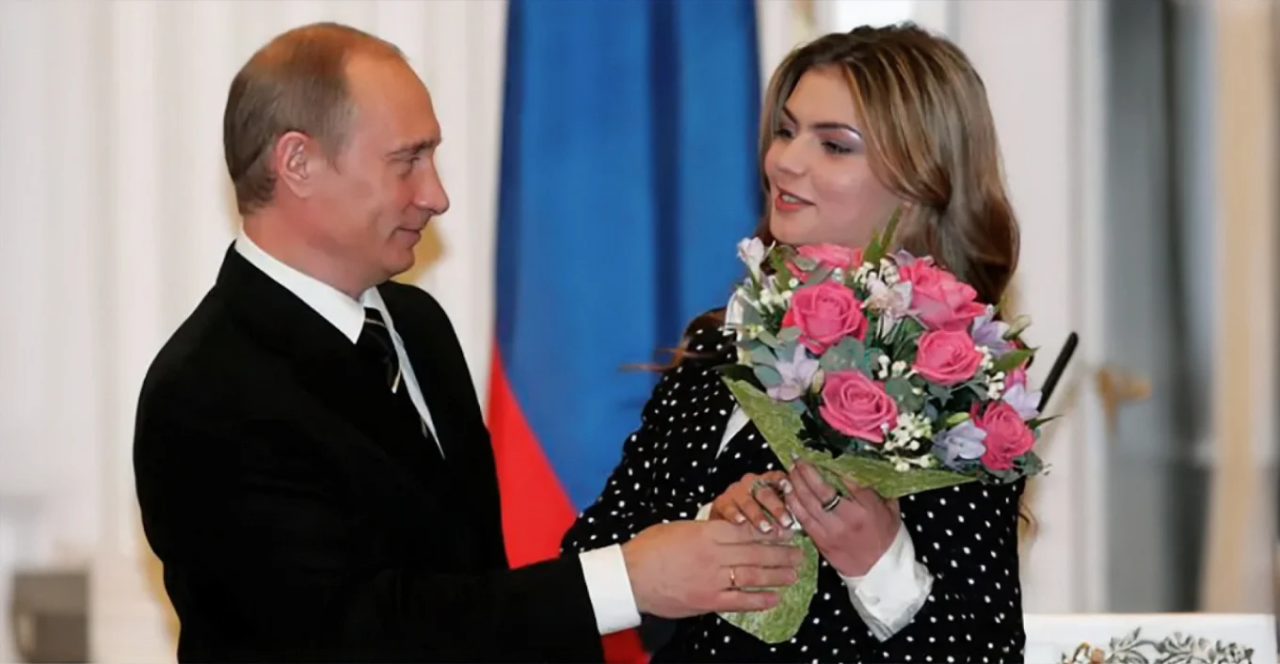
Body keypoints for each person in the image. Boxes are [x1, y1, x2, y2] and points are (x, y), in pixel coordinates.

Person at [132, 22, 804, 663]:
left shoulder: (415, 324)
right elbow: (338, 638)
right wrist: (625, 582)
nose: (437, 195)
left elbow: (470, 586)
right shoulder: (206, 391)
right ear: (298, 163)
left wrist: (694, 540)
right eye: (407, 161)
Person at [562, 23, 1027, 663]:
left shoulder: (961, 384)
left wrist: (881, 563)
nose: (784, 161)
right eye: (785, 131)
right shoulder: (723, 343)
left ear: (922, 182)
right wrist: (708, 529)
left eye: (834, 145)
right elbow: (589, 562)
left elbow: (984, 650)